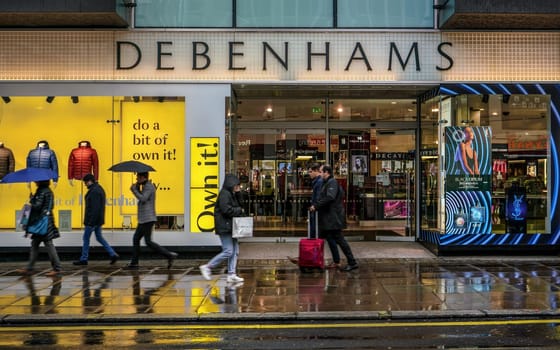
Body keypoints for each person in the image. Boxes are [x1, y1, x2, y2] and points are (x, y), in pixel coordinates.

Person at [310, 165, 358, 272]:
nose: (320, 174)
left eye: (321, 172)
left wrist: (316, 206)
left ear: (326, 172)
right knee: (329, 238)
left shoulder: (332, 182)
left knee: (340, 239)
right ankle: (334, 261)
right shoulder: (327, 183)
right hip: (329, 217)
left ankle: (352, 262)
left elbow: (330, 197)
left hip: (333, 217)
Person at [125, 172, 178, 269]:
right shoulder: (146, 186)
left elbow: (143, 198)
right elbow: (143, 197)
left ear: (143, 177)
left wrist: (134, 190)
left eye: (138, 177)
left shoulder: (149, 186)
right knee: (137, 239)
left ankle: (169, 255)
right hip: (144, 219)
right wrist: (137, 189)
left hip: (147, 219)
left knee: (147, 241)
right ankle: (134, 262)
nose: (136, 179)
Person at [199, 174, 245, 283]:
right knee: (229, 251)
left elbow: (241, 204)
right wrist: (239, 210)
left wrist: (238, 194)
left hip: (230, 227)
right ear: (231, 184)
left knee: (235, 251)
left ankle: (231, 274)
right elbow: (226, 210)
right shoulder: (224, 194)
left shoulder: (231, 194)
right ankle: (208, 267)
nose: (237, 187)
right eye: (236, 185)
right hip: (225, 227)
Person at [17, 180, 62, 276]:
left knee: (48, 244)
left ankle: (57, 268)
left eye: (36, 180)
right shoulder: (47, 191)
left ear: (40, 181)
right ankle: (30, 268)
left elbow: (37, 206)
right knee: (35, 244)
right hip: (45, 221)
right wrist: (34, 198)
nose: (35, 181)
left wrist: (32, 200)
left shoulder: (42, 191)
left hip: (42, 222)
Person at [73, 174, 119, 266]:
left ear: (90, 181)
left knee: (86, 238)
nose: (85, 184)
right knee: (99, 237)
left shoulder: (94, 191)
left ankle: (84, 259)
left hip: (92, 220)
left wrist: (90, 222)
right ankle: (112, 254)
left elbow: (95, 208)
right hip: (97, 220)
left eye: (86, 182)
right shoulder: (98, 189)